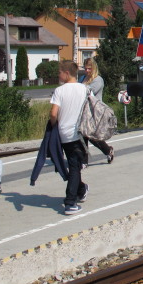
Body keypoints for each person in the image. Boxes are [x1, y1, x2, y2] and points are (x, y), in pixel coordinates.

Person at [50, 61, 89, 216]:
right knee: (74, 166)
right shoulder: (85, 89)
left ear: (67, 73)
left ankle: (81, 189)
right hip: (79, 133)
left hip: (64, 134)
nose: (58, 75)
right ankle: (70, 202)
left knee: (74, 164)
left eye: (59, 72)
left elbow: (53, 114)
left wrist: (53, 126)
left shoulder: (59, 91)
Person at [80, 58, 114, 163]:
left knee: (92, 136)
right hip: (83, 111)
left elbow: (89, 91)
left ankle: (108, 150)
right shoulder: (82, 78)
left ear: (94, 68)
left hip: (94, 112)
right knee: (82, 135)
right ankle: (83, 161)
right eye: (85, 68)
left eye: (89, 68)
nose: (87, 71)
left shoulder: (98, 80)